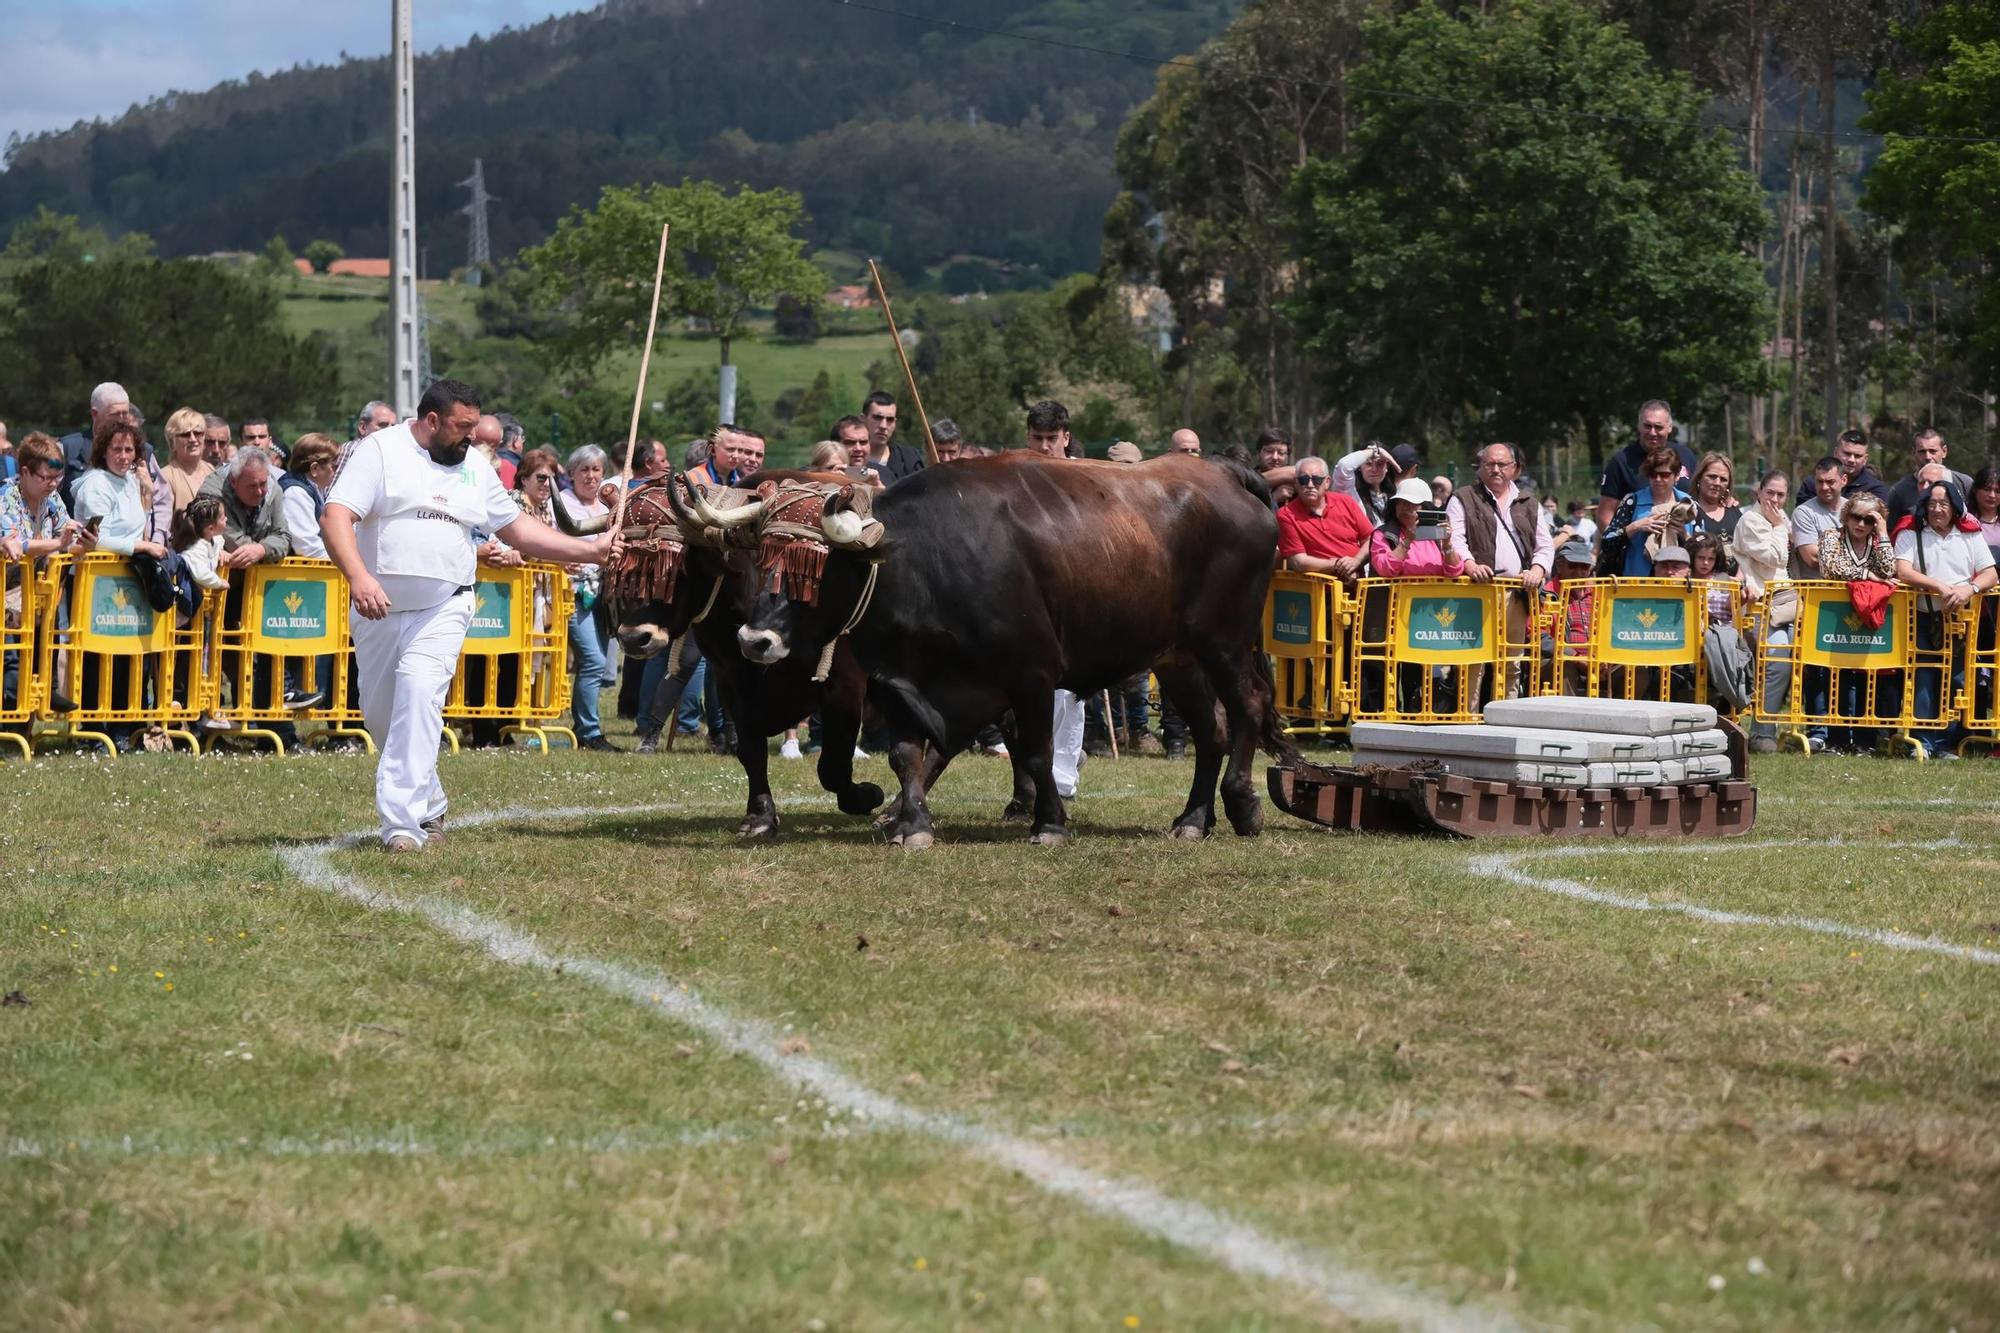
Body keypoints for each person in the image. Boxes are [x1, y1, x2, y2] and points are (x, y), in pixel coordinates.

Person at [321, 378, 621, 850]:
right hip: (377, 606)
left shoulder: (475, 470)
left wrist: (590, 550)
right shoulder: (377, 451)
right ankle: (430, 801)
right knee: (381, 716)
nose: (473, 439)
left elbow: (518, 527)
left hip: (446, 603)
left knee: (419, 695)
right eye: (463, 428)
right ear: (432, 420)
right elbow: (335, 516)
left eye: (477, 430)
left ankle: (401, 827)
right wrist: (359, 577)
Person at [1893, 478, 1996, 758]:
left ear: (1954, 506)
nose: (1938, 509)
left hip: (1963, 618)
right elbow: (1902, 570)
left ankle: (1946, 743)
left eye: (1944, 503)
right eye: (1932, 503)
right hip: (1924, 617)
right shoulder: (1911, 532)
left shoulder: (1970, 534)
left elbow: (1990, 573)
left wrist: (1969, 589)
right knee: (1925, 677)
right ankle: (1923, 742)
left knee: (1958, 680)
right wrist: (1937, 585)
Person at [1448, 442, 1551, 700]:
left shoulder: (1529, 502)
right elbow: (1454, 539)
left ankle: (1508, 718)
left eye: (1502, 464)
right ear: (1480, 467)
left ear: (1514, 469)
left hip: (1516, 594)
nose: (1495, 469)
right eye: (1489, 464)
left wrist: (1537, 571)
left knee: (1512, 662)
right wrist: (1470, 565)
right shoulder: (1463, 497)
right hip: (1475, 593)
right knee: (1473, 661)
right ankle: (1468, 720)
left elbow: (1545, 546)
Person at [1, 433, 92, 714]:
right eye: (46, 477)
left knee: (41, 642)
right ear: (25, 472)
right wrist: (57, 544)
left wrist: (84, 542)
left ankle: (39, 691)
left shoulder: (51, 499)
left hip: (30, 594)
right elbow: (16, 542)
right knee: (11, 658)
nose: (53, 484)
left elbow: (67, 532)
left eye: (58, 477)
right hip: (6, 591)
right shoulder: (7, 499)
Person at [1815, 493, 1898, 754]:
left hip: (1869, 620)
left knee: (1868, 678)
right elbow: (1830, 567)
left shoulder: (1877, 541)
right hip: (1834, 619)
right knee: (1838, 678)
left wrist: (1883, 532)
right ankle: (1837, 738)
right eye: (1855, 517)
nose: (1861, 524)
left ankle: (1865, 741)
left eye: (1869, 519)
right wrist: (1867, 575)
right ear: (1846, 515)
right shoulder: (1832, 536)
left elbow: (1888, 570)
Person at [557, 443, 618, 751]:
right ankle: (589, 732)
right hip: (573, 593)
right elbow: (553, 544)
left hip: (603, 595)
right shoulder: (564, 504)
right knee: (593, 660)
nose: (591, 476)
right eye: (584, 469)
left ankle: (585, 726)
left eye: (596, 469)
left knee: (598, 662)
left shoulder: (608, 509)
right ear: (571, 473)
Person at [1734, 470, 1793, 753]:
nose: (1775, 500)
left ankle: (1777, 729)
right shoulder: (1751, 520)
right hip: (1757, 607)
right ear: (1759, 492)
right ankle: (1761, 733)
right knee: (1776, 660)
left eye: (1781, 495)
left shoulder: (1779, 519)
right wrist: (1779, 527)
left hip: (1785, 603)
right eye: (1770, 493)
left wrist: (1779, 526)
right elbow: (1776, 556)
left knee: (1784, 664)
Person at [170, 494, 236, 733]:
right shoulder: (195, 547)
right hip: (186, 615)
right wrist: (219, 582)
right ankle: (180, 715)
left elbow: (218, 546)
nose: (226, 519)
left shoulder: (211, 540)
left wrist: (224, 555)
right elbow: (197, 570)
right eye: (222, 516)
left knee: (201, 663)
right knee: (184, 663)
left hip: (202, 615)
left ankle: (200, 712)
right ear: (210, 527)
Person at [1595, 399, 1696, 530]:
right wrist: (1622, 542)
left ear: (1669, 428)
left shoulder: (1685, 455)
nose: (1652, 432)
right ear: (1639, 426)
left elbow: (1702, 496)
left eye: (1658, 427)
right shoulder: (1621, 462)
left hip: (1682, 544)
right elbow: (1604, 516)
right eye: (1647, 426)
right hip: (1637, 546)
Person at [1596, 444, 1690, 578]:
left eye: (1664, 475)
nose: (1658, 480)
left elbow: (1702, 552)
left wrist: (1684, 534)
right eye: (1652, 474)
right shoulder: (1632, 502)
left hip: (1680, 587)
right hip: (1637, 585)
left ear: (1676, 476)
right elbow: (1607, 542)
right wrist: (1636, 527)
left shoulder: (1688, 504)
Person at [1277, 455, 1372, 582]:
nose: (1310, 485)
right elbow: (1298, 562)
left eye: (1316, 479)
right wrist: (1340, 566)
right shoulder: (1286, 514)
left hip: (1358, 585)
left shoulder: (1346, 502)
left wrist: (1357, 561)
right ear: (1296, 483)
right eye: (1304, 479)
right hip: (1316, 592)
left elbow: (1370, 538)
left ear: (1327, 482)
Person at [1885, 428, 1975, 527]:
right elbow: (1892, 530)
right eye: (1922, 452)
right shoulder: (1899, 491)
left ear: (1944, 451)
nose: (1927, 457)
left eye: (1933, 451)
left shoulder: (1964, 483)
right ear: (1913, 452)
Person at [1795, 428, 1891, 507]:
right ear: (1836, 452)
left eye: (1857, 456)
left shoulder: (1875, 489)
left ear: (1865, 459)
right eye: (1847, 454)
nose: (1851, 460)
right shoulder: (1812, 485)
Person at [280, 434, 339, 560]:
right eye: (334, 467)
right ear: (315, 468)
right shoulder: (295, 493)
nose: (337, 472)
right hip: (293, 576)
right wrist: (347, 561)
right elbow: (307, 546)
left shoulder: (315, 489)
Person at [159, 407, 214, 523]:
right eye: (185, 434)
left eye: (198, 433)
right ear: (172, 442)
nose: (193, 439)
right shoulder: (165, 476)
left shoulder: (211, 470)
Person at [862, 391, 925, 483]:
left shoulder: (909, 459)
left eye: (890, 420)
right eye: (877, 418)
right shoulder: (850, 458)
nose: (883, 426)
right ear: (863, 419)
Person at [1687, 451, 1740, 539]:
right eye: (1712, 476)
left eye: (1723, 479)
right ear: (1699, 478)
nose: (1717, 483)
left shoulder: (1734, 511)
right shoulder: (1687, 509)